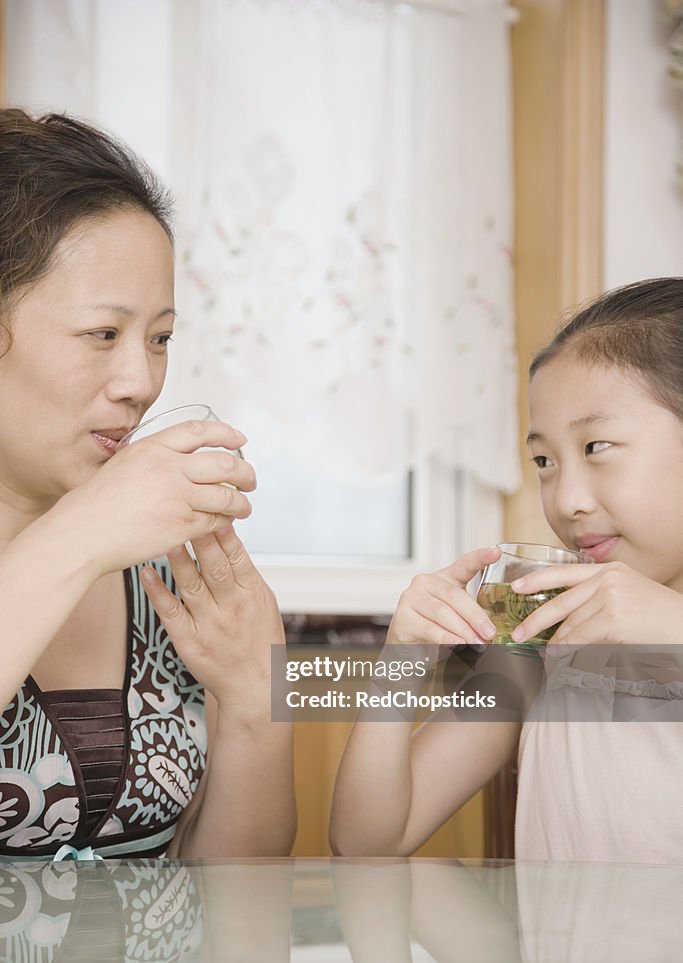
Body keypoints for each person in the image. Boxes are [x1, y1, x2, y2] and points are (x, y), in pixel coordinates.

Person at [0, 108, 296, 859]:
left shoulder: (166, 573)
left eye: (159, 339)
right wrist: (81, 533)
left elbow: (233, 913)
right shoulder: (103, 533)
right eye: (103, 334)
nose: (140, 382)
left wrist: (255, 705)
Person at [330, 277, 683, 863]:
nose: (567, 499)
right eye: (544, 460)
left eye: (596, 447)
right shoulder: (543, 639)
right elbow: (368, 840)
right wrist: (402, 663)